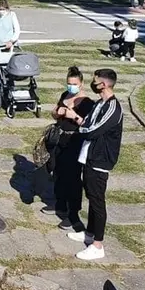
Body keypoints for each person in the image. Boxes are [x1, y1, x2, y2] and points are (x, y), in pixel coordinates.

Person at [60, 68, 123, 261]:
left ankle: (98, 245)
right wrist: (79, 120)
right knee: (91, 196)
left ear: (103, 84)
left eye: (95, 81)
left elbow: (91, 130)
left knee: (97, 201)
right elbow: (88, 121)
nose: (93, 84)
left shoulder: (113, 107)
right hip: (89, 157)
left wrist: (77, 121)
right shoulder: (100, 103)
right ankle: (89, 233)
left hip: (100, 161)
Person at [48, 66, 95, 231]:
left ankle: (73, 214)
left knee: (73, 178)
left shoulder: (87, 103)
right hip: (59, 139)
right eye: (69, 83)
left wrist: (74, 116)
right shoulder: (65, 95)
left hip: (74, 141)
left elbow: (89, 125)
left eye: (74, 83)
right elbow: (54, 113)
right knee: (57, 171)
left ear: (81, 84)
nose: (71, 86)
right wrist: (57, 111)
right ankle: (59, 203)